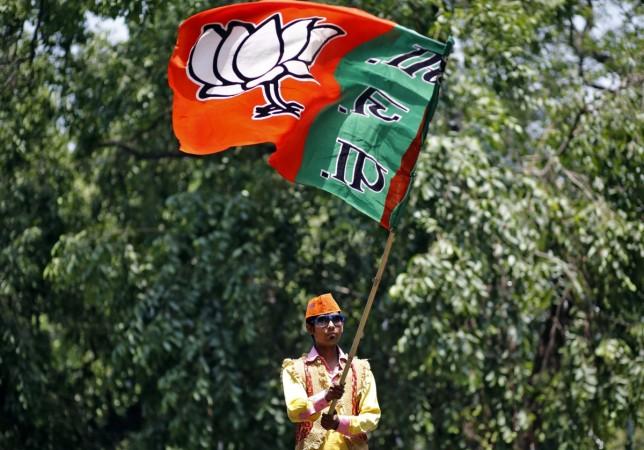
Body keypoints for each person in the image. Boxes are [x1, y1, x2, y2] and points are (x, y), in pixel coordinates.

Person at [281, 293, 380, 450]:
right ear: (309, 328)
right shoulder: (295, 369)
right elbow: (295, 410)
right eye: (323, 320)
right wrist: (326, 397)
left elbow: (372, 417)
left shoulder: (361, 370)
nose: (332, 325)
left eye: (337, 319)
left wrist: (339, 423)